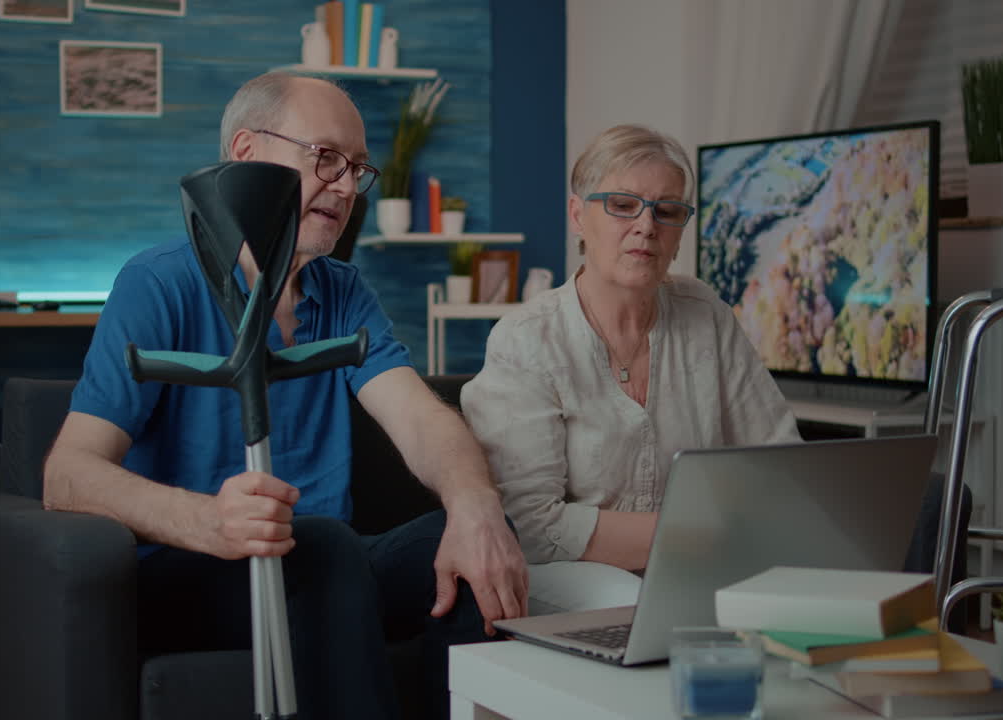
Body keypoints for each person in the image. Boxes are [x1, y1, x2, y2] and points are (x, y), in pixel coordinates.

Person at [42, 71, 528, 720]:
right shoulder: (156, 284)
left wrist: (475, 505)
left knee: (463, 540)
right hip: (195, 569)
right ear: (246, 153)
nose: (346, 186)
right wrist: (207, 521)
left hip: (324, 563)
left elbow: (418, 417)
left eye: (358, 169)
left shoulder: (344, 292)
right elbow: (66, 475)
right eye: (326, 157)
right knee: (321, 548)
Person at [459, 124, 800, 616]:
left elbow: (779, 461)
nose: (646, 226)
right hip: (563, 571)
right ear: (578, 215)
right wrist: (707, 531)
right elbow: (531, 528)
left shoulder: (705, 313)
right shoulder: (527, 339)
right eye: (622, 205)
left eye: (667, 211)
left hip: (695, 561)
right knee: (644, 603)